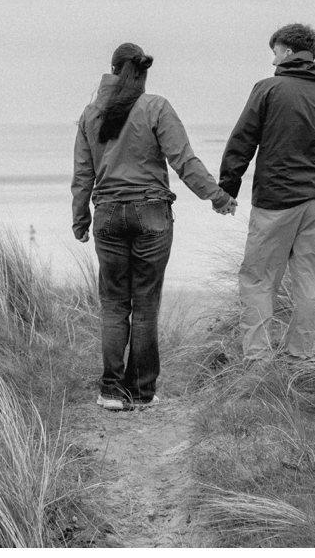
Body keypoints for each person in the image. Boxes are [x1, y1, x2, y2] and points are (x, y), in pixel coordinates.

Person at [73, 41, 236, 410]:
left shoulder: (90, 114)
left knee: (115, 305)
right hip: (151, 213)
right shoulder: (155, 107)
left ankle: (111, 392)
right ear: (142, 73)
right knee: (145, 305)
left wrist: (80, 218)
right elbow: (184, 160)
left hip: (108, 215)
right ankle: (142, 392)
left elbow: (83, 174)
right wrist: (218, 197)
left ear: (113, 70)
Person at [218, 22, 315, 362]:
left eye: (275, 52)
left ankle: (259, 361)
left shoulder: (268, 89)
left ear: (288, 52)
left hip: (276, 200)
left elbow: (242, 141)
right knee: (309, 284)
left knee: (259, 279)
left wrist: (228, 189)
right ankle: (302, 357)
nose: (273, 60)